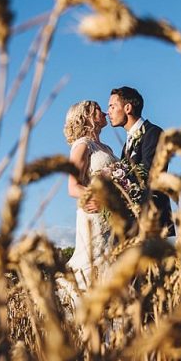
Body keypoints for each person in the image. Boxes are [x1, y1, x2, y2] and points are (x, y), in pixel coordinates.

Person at [63, 100, 117, 290]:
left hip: (112, 215)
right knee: (94, 262)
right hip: (94, 214)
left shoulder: (107, 148)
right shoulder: (82, 146)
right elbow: (73, 186)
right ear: (86, 117)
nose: (105, 113)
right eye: (98, 110)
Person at [107, 86, 173, 235]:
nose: (108, 112)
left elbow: (149, 173)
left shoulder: (153, 133)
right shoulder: (127, 143)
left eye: (112, 106)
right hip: (133, 223)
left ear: (128, 108)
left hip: (151, 220)